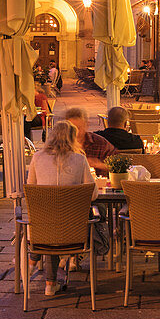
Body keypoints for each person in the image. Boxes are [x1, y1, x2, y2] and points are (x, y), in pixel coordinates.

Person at [27, 120, 108, 296]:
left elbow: (31, 188)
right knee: (62, 222)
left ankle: (45, 277)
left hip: (43, 228)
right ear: (72, 138)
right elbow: (92, 194)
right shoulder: (79, 159)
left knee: (51, 227)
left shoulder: (37, 158)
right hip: (74, 230)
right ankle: (49, 281)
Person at [64, 106, 115, 173]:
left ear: (87, 125)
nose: (75, 132)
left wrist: (99, 164)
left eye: (78, 128)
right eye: (72, 129)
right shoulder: (61, 143)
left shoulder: (99, 143)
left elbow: (117, 166)